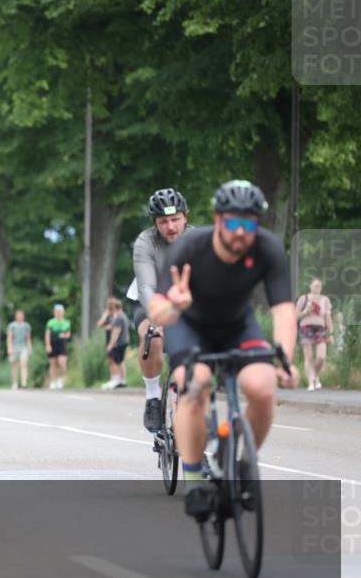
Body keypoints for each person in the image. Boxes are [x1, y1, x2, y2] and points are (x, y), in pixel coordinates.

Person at [149, 180, 299, 522]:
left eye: (249, 224)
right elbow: (158, 310)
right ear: (218, 220)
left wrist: (287, 359)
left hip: (237, 325)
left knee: (262, 388)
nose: (240, 232)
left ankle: (244, 464)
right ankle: (194, 480)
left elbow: (283, 310)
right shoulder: (189, 246)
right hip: (189, 324)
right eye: (233, 223)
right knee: (195, 385)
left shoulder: (268, 248)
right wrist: (174, 305)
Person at [131, 188, 191, 430]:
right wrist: (160, 319)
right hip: (152, 304)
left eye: (175, 219)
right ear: (155, 223)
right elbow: (146, 287)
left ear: (185, 216)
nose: (170, 226)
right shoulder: (145, 242)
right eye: (163, 221)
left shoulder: (198, 240)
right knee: (152, 337)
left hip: (188, 306)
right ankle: (153, 397)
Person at [296, 278, 334, 391]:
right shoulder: (304, 298)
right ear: (310, 286)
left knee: (321, 357)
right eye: (315, 285)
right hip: (306, 328)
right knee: (308, 357)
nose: (317, 288)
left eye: (319, 286)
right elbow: (295, 315)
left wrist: (331, 332)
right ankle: (310, 382)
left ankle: (315, 376)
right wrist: (306, 312)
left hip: (320, 328)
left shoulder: (325, 299)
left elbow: (328, 317)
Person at [97, 297, 129, 390]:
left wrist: (111, 344)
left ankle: (120, 380)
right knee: (116, 360)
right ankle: (118, 379)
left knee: (118, 361)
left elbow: (116, 332)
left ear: (115, 307)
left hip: (119, 342)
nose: (109, 307)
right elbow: (100, 324)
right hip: (118, 342)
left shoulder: (119, 317)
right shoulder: (115, 316)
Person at [44, 304, 71, 389]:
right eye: (57, 312)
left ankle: (60, 379)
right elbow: (47, 334)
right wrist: (48, 345)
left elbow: (68, 333)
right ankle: (52, 382)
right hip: (53, 343)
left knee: (62, 363)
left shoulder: (66, 322)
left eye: (60, 312)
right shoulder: (51, 322)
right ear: (55, 312)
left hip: (62, 344)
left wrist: (65, 335)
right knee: (53, 364)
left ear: (63, 312)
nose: (59, 313)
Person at [6, 310, 32, 389]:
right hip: (14, 347)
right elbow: (9, 338)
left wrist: (30, 347)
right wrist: (9, 347)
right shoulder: (12, 325)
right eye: (18, 315)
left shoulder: (26, 326)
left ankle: (24, 383)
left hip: (23, 347)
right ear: (16, 316)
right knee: (14, 365)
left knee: (24, 364)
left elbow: (28, 338)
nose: (20, 317)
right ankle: (15, 382)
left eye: (21, 315)